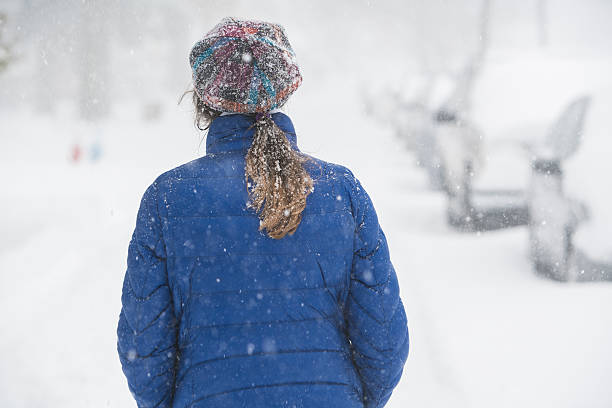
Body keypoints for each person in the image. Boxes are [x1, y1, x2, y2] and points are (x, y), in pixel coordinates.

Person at [117, 17, 409, 408]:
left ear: (205, 100)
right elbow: (384, 340)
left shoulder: (167, 199)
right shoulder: (341, 191)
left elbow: (143, 344)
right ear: (282, 92)